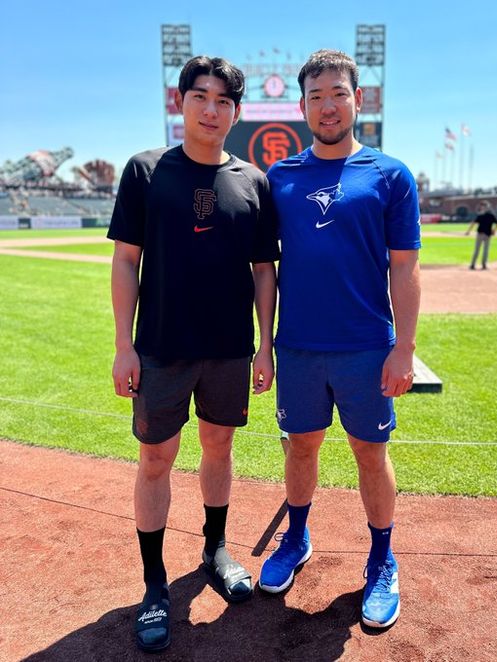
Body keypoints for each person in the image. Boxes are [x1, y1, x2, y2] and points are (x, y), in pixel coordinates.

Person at [108, 55, 279, 653]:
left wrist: (264, 345)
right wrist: (123, 345)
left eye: (224, 100)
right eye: (200, 97)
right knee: (156, 458)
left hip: (229, 348)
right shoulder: (146, 170)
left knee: (219, 446)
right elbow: (126, 259)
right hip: (160, 348)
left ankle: (215, 549)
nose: (212, 109)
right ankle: (155, 584)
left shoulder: (253, 181)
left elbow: (265, 270)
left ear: (236, 111)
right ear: (180, 102)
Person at [258, 50, 421, 630]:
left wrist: (403, 347)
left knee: (369, 453)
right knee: (300, 447)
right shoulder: (280, 179)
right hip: (298, 346)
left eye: (338, 94)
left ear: (358, 100)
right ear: (302, 106)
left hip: (364, 347)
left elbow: (404, 268)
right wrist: (264, 343)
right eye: (316, 96)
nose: (328, 106)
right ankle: (296, 537)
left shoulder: (389, 175)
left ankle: (382, 559)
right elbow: (264, 268)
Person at [465, 201, 497, 269]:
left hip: (482, 234)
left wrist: (468, 231)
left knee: (479, 250)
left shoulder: (481, 215)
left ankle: (474, 264)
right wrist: (494, 230)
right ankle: (482, 265)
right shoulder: (490, 215)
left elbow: (473, 223)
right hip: (486, 234)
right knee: (483, 250)